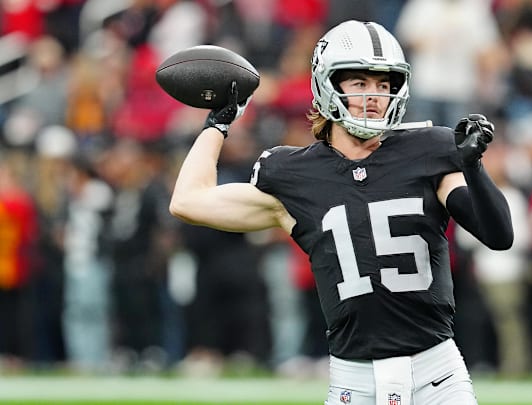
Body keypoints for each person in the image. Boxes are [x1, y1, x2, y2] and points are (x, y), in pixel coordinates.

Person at [169, 20, 513, 404]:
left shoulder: (429, 150)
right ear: (326, 85)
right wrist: (218, 125)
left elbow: (498, 235)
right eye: (360, 83)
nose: (374, 96)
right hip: (355, 380)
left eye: (384, 85)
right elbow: (187, 201)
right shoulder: (294, 173)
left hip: (437, 373)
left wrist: (473, 168)